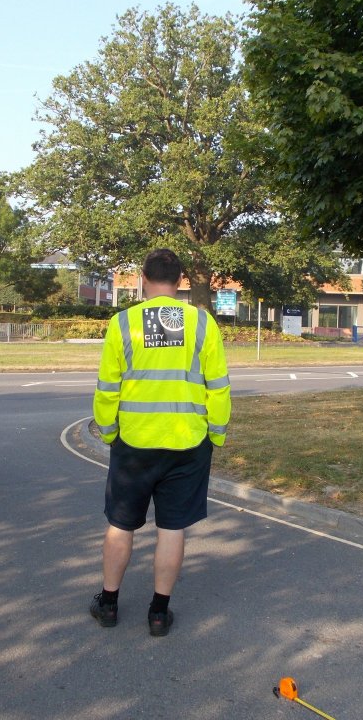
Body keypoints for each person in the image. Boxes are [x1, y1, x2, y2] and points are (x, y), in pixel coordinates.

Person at [90, 248, 231, 636]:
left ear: (143, 278)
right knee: (172, 529)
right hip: (188, 444)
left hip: (134, 443)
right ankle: (158, 612)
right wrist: (215, 432)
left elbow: (107, 388)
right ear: (180, 280)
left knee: (121, 525)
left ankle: (108, 602)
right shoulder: (203, 324)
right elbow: (217, 387)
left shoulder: (122, 324)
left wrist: (108, 431)